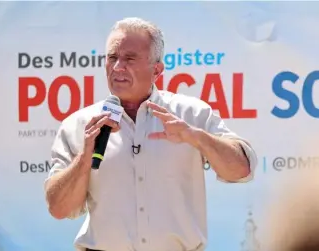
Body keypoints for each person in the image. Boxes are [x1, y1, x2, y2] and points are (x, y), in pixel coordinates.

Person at [44, 17, 257, 251]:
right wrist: (84, 159)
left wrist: (196, 137)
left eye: (130, 59)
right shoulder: (80, 124)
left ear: (157, 70)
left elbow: (241, 170)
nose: (117, 68)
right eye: (112, 58)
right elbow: (59, 208)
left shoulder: (190, 113)